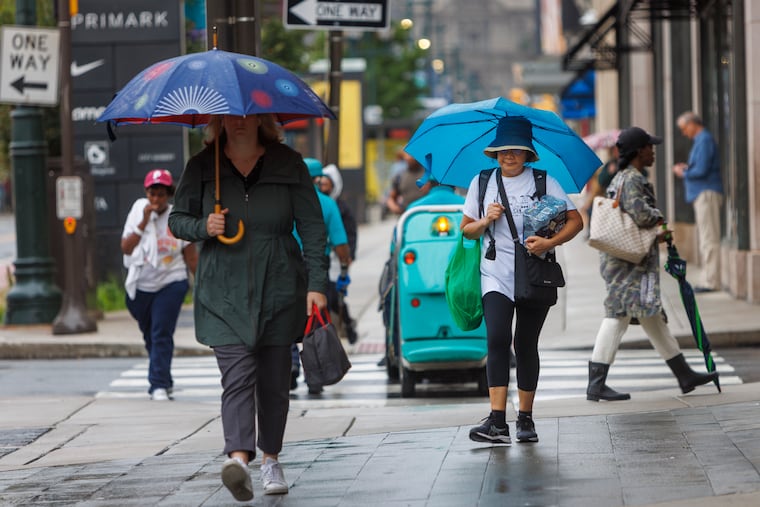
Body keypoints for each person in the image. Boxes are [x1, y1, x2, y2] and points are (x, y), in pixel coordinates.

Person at [168, 114, 328, 501]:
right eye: (229, 118)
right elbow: (177, 220)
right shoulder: (202, 167)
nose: (238, 123)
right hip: (224, 290)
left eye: (247, 116)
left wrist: (317, 285)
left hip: (280, 286)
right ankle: (238, 459)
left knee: (275, 383)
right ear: (217, 123)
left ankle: (270, 458)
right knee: (236, 377)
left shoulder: (288, 164)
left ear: (262, 120)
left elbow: (312, 226)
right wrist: (203, 227)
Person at [460, 116, 583, 444]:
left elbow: (575, 221)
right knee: (497, 339)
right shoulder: (482, 182)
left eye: (515, 150)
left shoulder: (544, 182)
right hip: (495, 275)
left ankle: (525, 419)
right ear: (494, 153)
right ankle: (497, 421)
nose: (508, 156)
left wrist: (549, 243)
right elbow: (466, 229)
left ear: (528, 154)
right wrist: (487, 219)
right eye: (502, 150)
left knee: (525, 344)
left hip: (533, 275)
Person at [586, 126, 720, 402]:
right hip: (627, 266)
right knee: (618, 315)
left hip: (627, 263)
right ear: (638, 151)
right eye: (649, 146)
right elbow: (642, 215)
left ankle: (684, 375)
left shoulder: (625, 176)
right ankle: (596, 383)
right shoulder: (632, 179)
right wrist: (659, 220)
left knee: (651, 316)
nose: (653, 151)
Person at [121, 169, 197, 402]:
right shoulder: (138, 210)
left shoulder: (177, 218)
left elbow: (191, 256)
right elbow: (126, 248)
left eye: (161, 194)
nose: (156, 199)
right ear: (146, 193)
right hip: (141, 285)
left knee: (161, 332)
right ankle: (164, 376)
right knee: (150, 336)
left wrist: (202, 286)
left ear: (169, 195)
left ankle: (158, 385)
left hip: (171, 282)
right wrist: (144, 221)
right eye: (152, 193)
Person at [291, 158, 352, 395]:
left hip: (287, 266)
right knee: (313, 318)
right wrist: (345, 263)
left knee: (285, 317)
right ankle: (314, 373)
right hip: (316, 266)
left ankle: (291, 362)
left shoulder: (287, 200)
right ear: (318, 178)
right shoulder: (327, 203)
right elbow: (340, 243)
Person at [672, 111, 724, 293]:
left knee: (709, 238)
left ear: (692, 124)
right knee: (706, 238)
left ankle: (711, 281)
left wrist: (683, 172)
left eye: (684, 128)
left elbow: (701, 170)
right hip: (702, 193)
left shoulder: (704, 140)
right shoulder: (701, 141)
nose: (684, 133)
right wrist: (687, 169)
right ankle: (708, 278)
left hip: (706, 193)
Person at [320, 163, 359, 344]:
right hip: (322, 257)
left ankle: (348, 326)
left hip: (338, 259)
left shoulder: (341, 208)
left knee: (337, 295)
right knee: (326, 295)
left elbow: (350, 233)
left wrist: (349, 255)